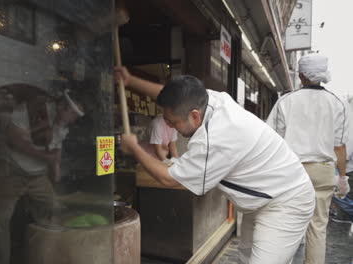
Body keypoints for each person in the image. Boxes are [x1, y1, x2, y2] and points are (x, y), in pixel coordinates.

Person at [115, 66, 315, 264]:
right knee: (246, 257)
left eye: (173, 122)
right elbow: (171, 95)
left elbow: (168, 179)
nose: (169, 126)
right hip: (262, 199)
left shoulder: (217, 138)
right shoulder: (208, 100)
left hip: (287, 201)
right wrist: (130, 80)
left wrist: (135, 149)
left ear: (194, 115)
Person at [266, 53, 349, 264]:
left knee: (286, 225)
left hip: (291, 171)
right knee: (318, 227)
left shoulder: (286, 101)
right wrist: (342, 177)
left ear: (301, 76)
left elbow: (272, 141)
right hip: (323, 171)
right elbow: (340, 146)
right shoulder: (337, 104)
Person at [0, 84, 84, 264]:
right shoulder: (32, 110)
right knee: (0, 221)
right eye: (73, 114)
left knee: (53, 210)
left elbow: (56, 149)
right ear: (61, 106)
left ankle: (45, 257)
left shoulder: (62, 124)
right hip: (13, 171)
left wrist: (55, 170)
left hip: (37, 176)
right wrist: (44, 157)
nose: (74, 119)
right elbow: (13, 138)